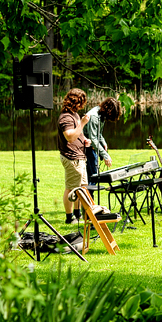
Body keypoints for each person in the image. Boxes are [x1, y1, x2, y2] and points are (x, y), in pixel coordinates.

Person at [58, 88, 91, 225]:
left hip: (80, 157)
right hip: (71, 157)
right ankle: (69, 217)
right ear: (75, 102)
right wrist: (83, 123)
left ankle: (78, 216)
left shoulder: (75, 115)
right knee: (71, 188)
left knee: (82, 187)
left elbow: (77, 134)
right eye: (81, 103)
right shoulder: (66, 117)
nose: (83, 106)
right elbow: (70, 137)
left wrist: (85, 140)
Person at [83, 97, 123, 178]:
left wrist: (104, 143)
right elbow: (93, 138)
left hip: (92, 147)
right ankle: (85, 190)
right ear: (109, 111)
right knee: (93, 177)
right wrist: (105, 155)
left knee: (93, 175)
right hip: (86, 147)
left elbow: (99, 134)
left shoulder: (101, 115)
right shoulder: (94, 116)